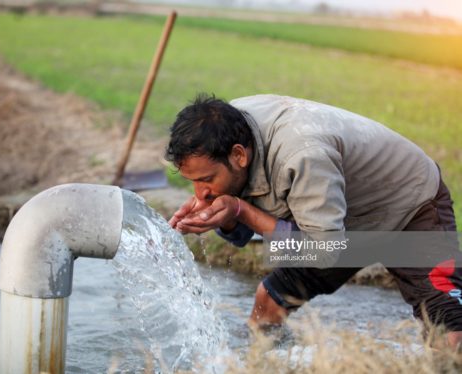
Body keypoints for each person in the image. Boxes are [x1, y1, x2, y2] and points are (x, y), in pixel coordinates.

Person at [165, 93, 462, 350]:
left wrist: (241, 211)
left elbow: (325, 252)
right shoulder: (228, 132)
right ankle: (278, 363)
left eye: (206, 180)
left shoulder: (303, 155)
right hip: (335, 221)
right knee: (267, 305)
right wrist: (224, 215)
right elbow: (244, 234)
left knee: (450, 333)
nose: (201, 193)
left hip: (408, 206)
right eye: (193, 182)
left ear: (239, 156)